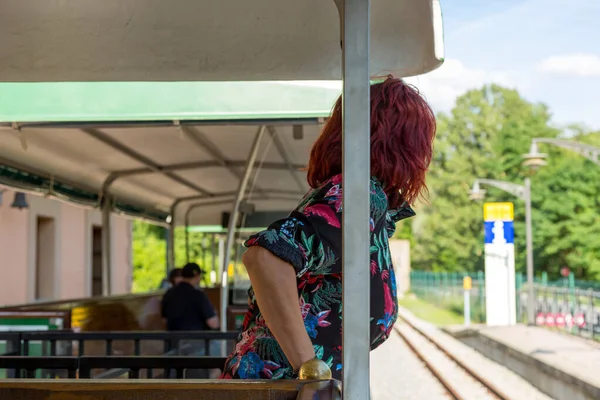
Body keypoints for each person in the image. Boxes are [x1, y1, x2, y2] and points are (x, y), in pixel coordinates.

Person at [221, 77, 436, 380]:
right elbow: (264, 258)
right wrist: (309, 368)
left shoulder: (356, 196)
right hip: (283, 390)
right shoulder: (358, 196)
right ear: (405, 143)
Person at [161, 263, 219, 332]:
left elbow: (164, 320)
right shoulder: (199, 295)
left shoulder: (168, 294)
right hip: (196, 339)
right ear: (197, 276)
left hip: (173, 340)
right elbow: (213, 323)